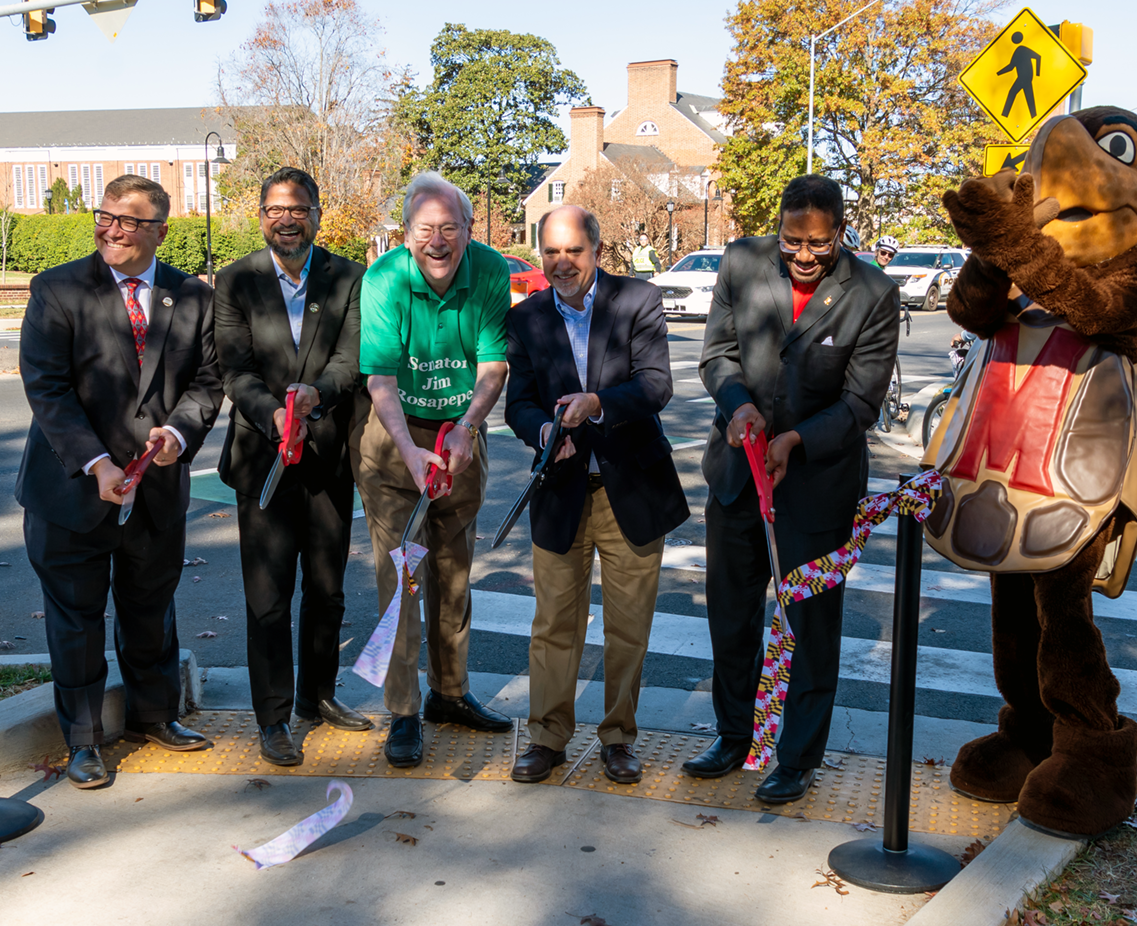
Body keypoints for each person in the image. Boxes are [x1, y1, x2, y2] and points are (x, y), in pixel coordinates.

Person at [684, 175, 899, 803]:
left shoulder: (874, 294)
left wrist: (795, 440)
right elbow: (717, 355)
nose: (804, 255)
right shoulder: (741, 264)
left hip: (816, 485)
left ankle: (796, 756)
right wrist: (737, 406)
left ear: (840, 232)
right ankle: (733, 735)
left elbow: (861, 403)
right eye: (792, 241)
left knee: (808, 624)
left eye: (818, 243)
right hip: (736, 476)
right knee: (732, 615)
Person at [16, 175, 223, 789]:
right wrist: (97, 462)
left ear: (160, 229)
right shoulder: (57, 289)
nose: (111, 228)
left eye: (129, 221)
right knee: (75, 622)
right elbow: (47, 387)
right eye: (105, 215)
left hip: (156, 489)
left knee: (150, 609)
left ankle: (154, 717)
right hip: (73, 491)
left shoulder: (192, 297)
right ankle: (83, 740)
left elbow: (208, 382)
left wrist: (179, 436)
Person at [503, 205, 690, 785]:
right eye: (551, 252)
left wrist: (597, 404)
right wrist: (543, 431)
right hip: (560, 489)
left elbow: (657, 384)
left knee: (628, 626)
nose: (561, 263)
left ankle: (618, 738)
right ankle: (547, 738)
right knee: (554, 622)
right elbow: (520, 401)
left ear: (597, 252)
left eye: (573, 252)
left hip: (630, 486)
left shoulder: (637, 300)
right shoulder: (527, 318)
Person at [352, 171, 512, 768]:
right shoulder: (384, 278)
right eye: (426, 230)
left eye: (451, 228)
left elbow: (493, 366)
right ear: (407, 232)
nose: (438, 241)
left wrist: (468, 427)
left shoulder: (491, 272)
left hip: (460, 433)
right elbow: (381, 380)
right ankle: (403, 711)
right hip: (397, 434)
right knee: (403, 579)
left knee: (454, 575)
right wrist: (409, 448)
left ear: (470, 230)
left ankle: (451, 693)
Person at [214, 167, 371, 768]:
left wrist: (315, 397)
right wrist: (275, 414)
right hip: (264, 457)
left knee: (327, 590)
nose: (288, 218)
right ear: (261, 216)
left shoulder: (349, 278)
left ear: (316, 215)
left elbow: (350, 358)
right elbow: (234, 369)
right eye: (277, 208)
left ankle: (318, 695)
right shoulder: (236, 282)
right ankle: (273, 715)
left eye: (299, 209)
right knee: (269, 594)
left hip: (328, 453)